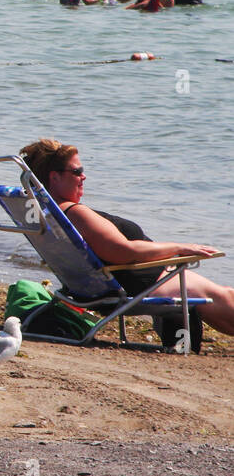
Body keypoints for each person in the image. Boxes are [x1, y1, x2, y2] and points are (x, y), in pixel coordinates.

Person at [18, 138, 234, 335]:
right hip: (141, 282)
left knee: (228, 294)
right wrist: (181, 248)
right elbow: (124, 252)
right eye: (77, 171)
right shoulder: (74, 213)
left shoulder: (44, 214)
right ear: (54, 177)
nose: (84, 176)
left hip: (116, 282)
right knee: (222, 297)